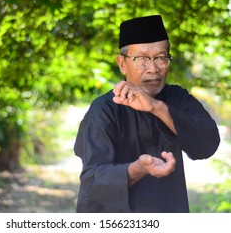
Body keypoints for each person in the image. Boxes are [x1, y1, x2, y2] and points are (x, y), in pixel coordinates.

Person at [74, 15, 221, 213]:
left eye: (161, 58)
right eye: (141, 59)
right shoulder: (104, 109)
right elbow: (93, 179)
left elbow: (207, 143)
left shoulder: (177, 98)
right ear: (122, 63)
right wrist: (138, 168)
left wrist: (156, 107)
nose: (153, 69)